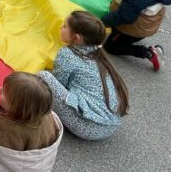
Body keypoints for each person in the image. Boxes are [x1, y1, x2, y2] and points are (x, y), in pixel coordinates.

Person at [37, 11, 129, 141]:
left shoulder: (67, 54)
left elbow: (58, 84)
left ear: (76, 38)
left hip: (89, 127)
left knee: (43, 76)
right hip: (111, 126)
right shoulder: (98, 55)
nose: (60, 28)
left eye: (64, 26)